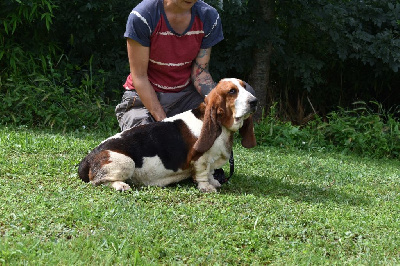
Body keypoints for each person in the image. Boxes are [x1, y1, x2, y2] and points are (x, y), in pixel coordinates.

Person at [115, 0, 224, 131]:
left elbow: (200, 72)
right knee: (148, 140)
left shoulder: (208, 17)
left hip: (185, 96)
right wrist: (164, 123)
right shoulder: (143, 16)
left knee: (214, 129)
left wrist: (219, 103)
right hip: (142, 99)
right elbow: (139, 76)